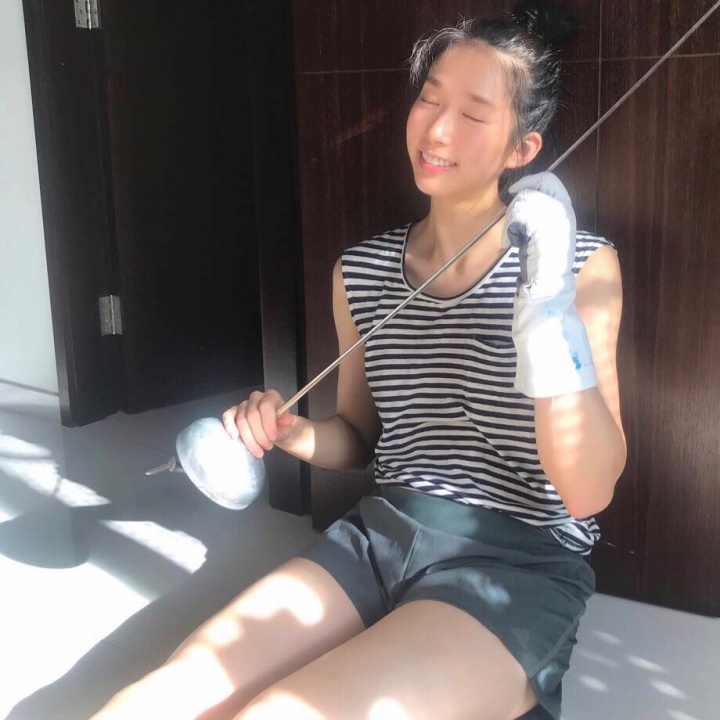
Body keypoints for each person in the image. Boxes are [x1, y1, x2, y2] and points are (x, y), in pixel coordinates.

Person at [91, 1, 626, 718]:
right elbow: (358, 436)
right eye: (430, 98)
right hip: (380, 536)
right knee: (164, 698)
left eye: (473, 113)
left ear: (521, 149)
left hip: (517, 563)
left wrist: (546, 304)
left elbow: (588, 492)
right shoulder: (363, 271)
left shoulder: (579, 264)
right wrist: (289, 432)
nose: (437, 129)